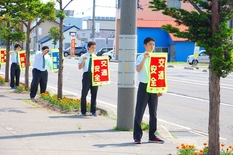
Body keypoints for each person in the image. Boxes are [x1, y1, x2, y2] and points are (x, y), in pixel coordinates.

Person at [133, 37, 164, 144]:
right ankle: (137, 136)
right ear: (145, 45)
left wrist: (160, 88)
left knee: (153, 113)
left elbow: (160, 73)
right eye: (150, 44)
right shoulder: (140, 56)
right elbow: (138, 69)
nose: (152, 46)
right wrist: (144, 58)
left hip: (154, 86)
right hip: (144, 86)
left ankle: (152, 135)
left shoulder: (156, 58)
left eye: (153, 45)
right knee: (139, 112)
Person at [78, 41, 98, 116]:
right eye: (92, 47)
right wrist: (83, 60)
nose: (94, 49)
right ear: (88, 48)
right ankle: (83, 111)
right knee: (84, 94)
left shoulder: (96, 57)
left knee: (94, 94)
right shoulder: (83, 56)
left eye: (95, 48)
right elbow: (79, 67)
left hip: (95, 76)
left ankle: (93, 110)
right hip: (86, 75)